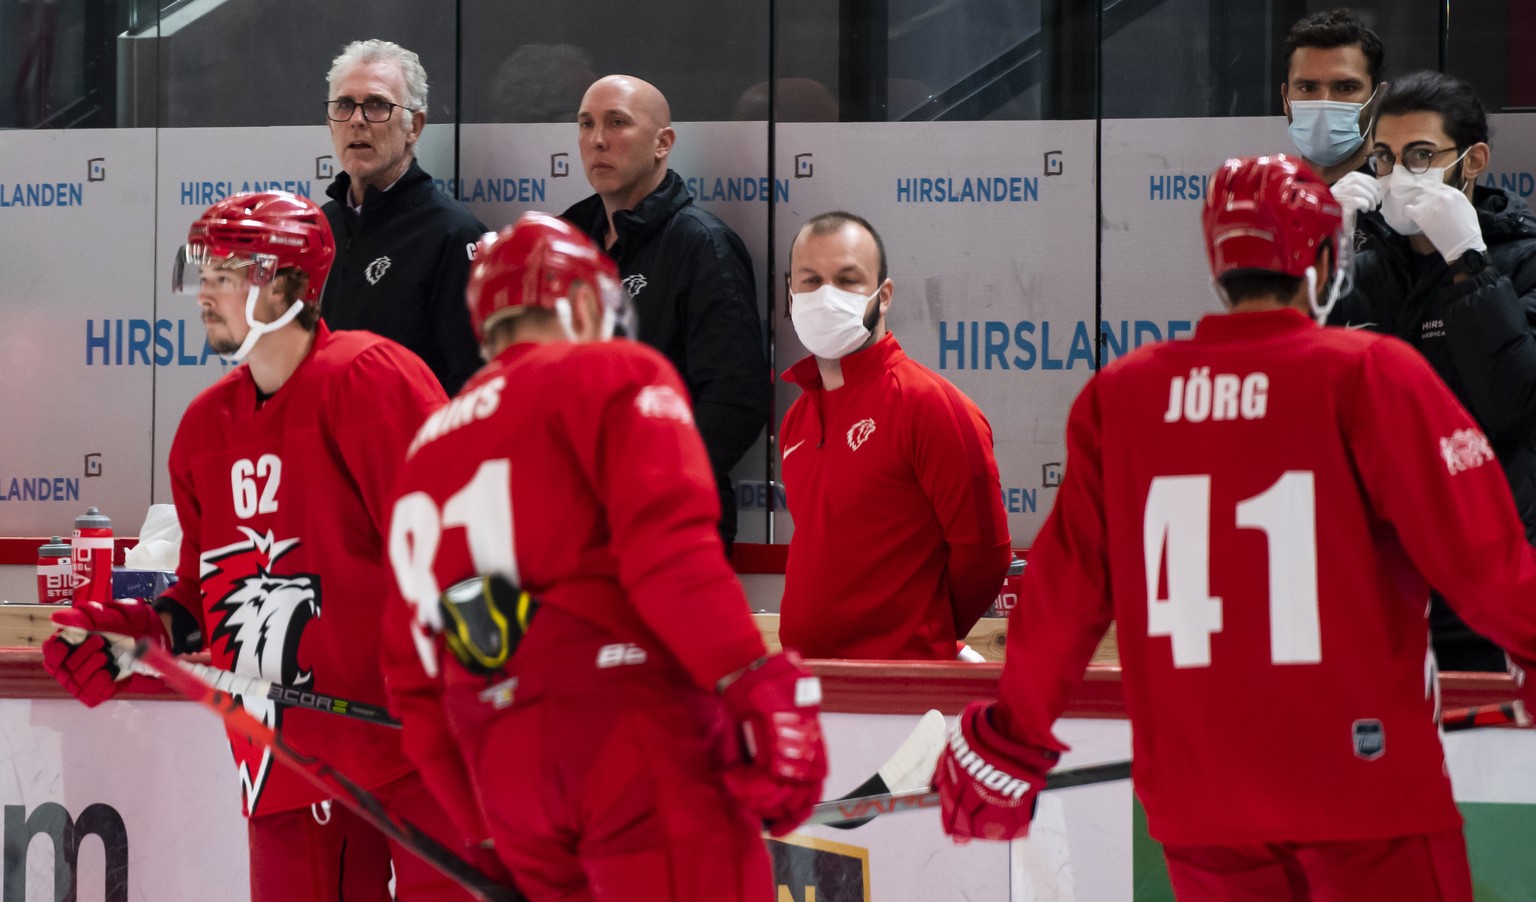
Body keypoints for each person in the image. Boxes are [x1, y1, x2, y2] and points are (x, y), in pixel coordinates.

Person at [933, 155, 1536, 901]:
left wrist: (1013, 733)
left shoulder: (1122, 396)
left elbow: (1063, 595)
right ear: (1323, 259)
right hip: (1364, 790)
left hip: (1200, 799)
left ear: (1219, 264)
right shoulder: (1373, 373)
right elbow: (1484, 563)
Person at [41, 192, 478, 902]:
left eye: (228, 272)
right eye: (202, 272)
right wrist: (133, 634)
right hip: (282, 766)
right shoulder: (204, 429)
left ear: (288, 285)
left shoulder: (369, 379)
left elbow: (456, 552)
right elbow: (198, 599)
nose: (205, 292)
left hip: (416, 755)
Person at [379, 213, 827, 901]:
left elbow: (413, 679)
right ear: (587, 303)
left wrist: (483, 824)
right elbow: (670, 555)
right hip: (630, 741)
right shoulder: (611, 371)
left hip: (509, 776)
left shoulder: (427, 444)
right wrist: (755, 685)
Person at [1326, 70, 1536, 672]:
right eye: (1385, 159)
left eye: (1421, 155)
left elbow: (1513, 400)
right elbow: (1297, 401)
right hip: (1377, 567)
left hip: (1491, 565)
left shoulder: (1523, 265)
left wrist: (1470, 264)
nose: (1399, 175)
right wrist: (1324, 264)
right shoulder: (1360, 274)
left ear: (1473, 161)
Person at [777, 211, 1011, 660]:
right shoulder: (797, 419)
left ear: (883, 296)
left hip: (902, 692)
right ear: (791, 293)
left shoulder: (931, 406)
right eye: (810, 281)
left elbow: (986, 557)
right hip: (811, 686)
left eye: (847, 280)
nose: (826, 297)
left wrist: (923, 633)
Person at [561, 74, 771, 551]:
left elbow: (736, 399)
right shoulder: (566, 241)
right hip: (576, 521)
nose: (597, 139)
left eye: (617, 123)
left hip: (670, 520)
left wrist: (651, 480)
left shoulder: (701, 244)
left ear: (663, 142)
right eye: (586, 124)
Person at [321, 39, 487, 395]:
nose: (357, 121)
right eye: (345, 105)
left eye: (377, 105)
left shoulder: (454, 235)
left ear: (415, 126)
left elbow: (473, 387)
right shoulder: (316, 228)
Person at [1281, 8, 1387, 185]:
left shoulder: (1402, 199)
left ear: (1378, 98)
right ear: (1285, 99)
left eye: (1346, 87)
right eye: (1308, 87)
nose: (1324, 101)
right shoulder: (1273, 197)